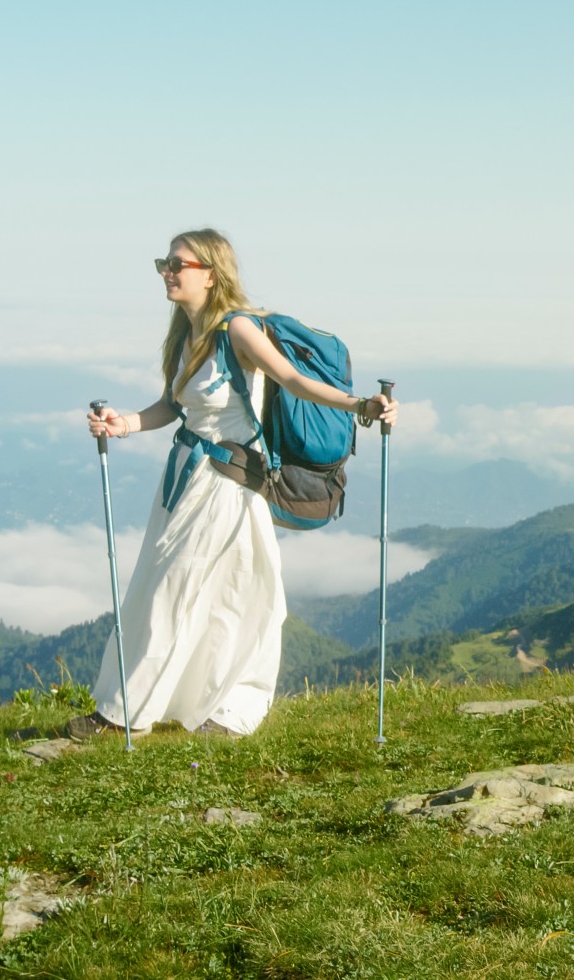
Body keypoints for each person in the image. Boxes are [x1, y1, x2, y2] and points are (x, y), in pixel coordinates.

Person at [76, 229, 397, 737]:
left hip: (225, 482)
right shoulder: (186, 333)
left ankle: (138, 714)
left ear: (212, 272)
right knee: (204, 592)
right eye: (165, 262)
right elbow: (175, 405)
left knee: (187, 592)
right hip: (185, 479)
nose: (168, 271)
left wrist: (361, 407)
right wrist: (126, 423)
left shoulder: (238, 329)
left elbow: (293, 381)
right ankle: (186, 708)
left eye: (179, 264)